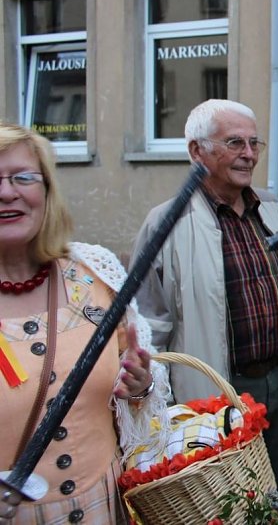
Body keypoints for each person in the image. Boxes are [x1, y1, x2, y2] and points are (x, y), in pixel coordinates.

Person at [131, 99, 278, 497]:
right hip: (215, 392)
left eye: (254, 143)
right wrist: (165, 407)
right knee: (225, 503)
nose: (249, 155)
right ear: (197, 151)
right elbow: (150, 326)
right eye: (235, 142)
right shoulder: (166, 223)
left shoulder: (274, 210)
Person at [0, 122, 169, 524]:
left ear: (46, 190)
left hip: (107, 509)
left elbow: (143, 391)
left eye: (22, 177)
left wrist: (141, 385)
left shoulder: (94, 272)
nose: (7, 192)